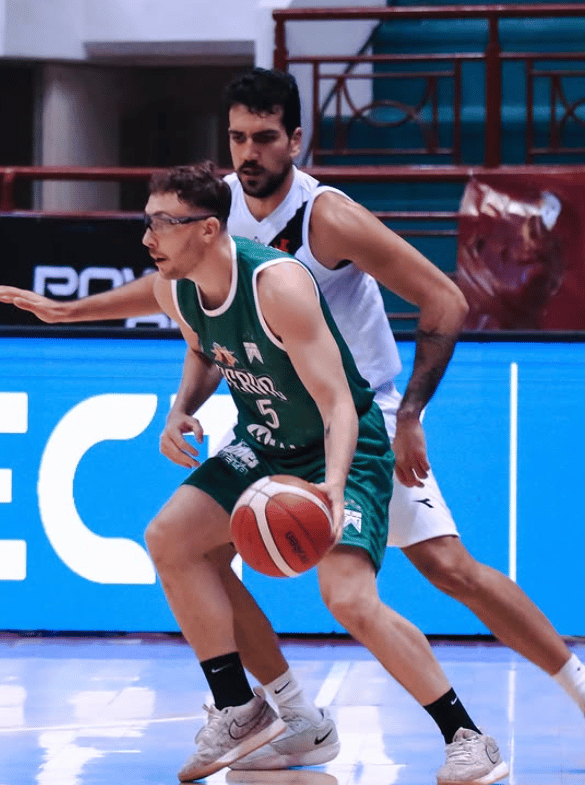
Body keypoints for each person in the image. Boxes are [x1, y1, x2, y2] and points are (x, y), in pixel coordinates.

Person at [3, 64, 583, 771]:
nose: (249, 152)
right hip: (274, 419)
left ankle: (560, 687)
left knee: (445, 568)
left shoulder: (324, 216)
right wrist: (178, 401)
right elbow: (200, 318)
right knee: (189, 545)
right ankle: (283, 711)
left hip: (357, 416)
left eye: (265, 137)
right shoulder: (213, 221)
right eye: (237, 137)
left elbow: (443, 299)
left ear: (295, 140)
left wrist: (410, 416)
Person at [143, 161, 508, 783]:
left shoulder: (278, 283)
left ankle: (468, 737)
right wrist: (180, 409)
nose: (148, 238)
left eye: (161, 224)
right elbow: (204, 346)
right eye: (146, 222)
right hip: (266, 440)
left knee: (347, 598)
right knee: (172, 540)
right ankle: (255, 710)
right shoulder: (172, 287)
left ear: (207, 230)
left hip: (345, 442)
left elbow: (339, 401)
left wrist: (333, 487)